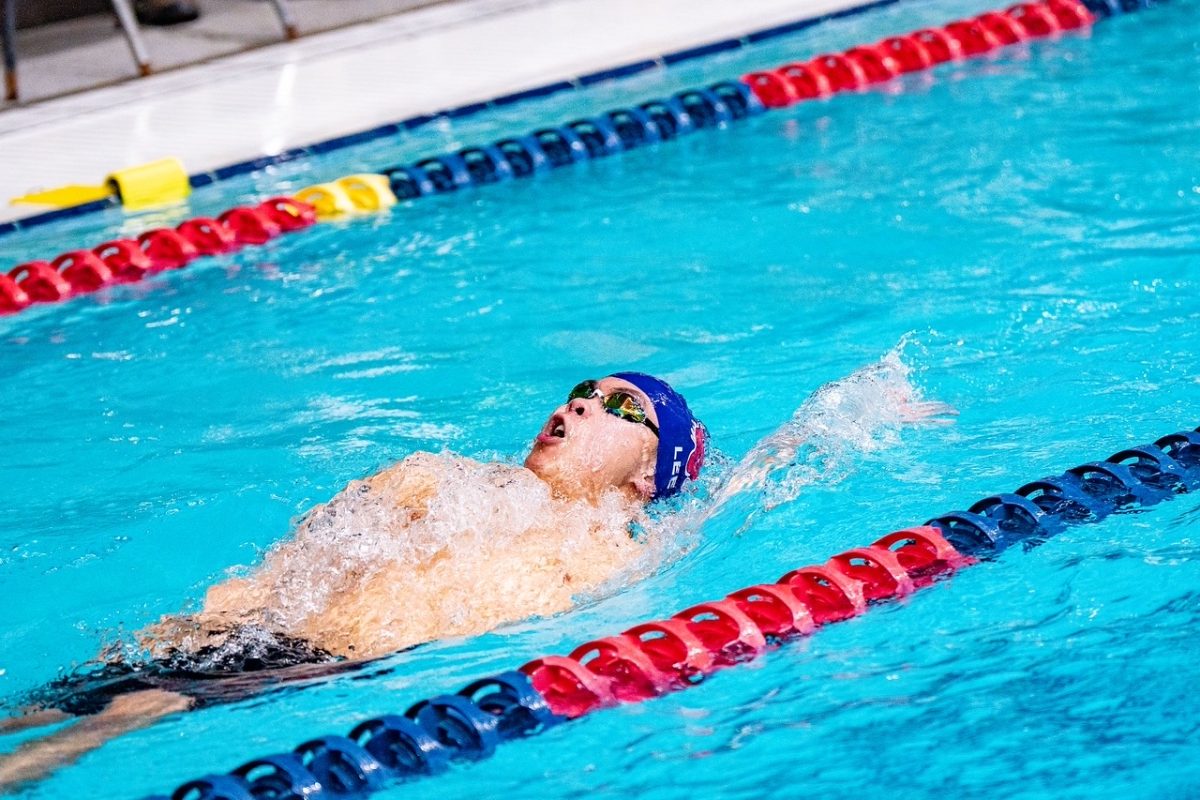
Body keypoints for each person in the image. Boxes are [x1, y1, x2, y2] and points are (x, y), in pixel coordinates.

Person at [0, 372, 708, 789]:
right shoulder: (434, 477)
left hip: (313, 667)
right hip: (252, 638)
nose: (579, 404)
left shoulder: (610, 555)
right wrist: (218, 619)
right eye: (581, 391)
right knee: (57, 708)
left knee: (98, 726)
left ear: (650, 474)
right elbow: (299, 558)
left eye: (619, 409)